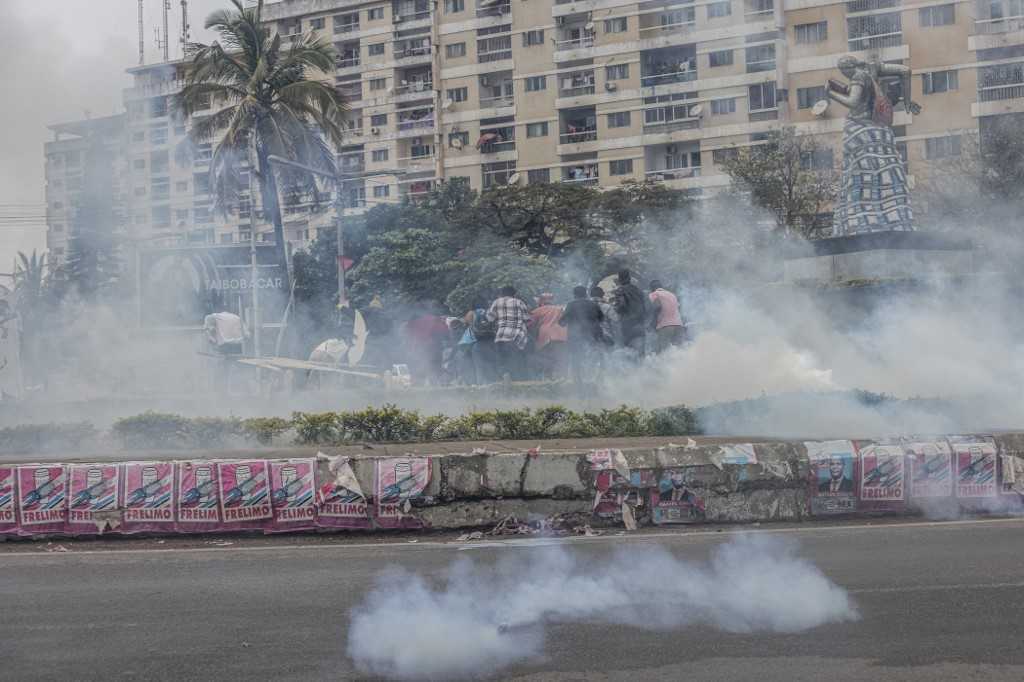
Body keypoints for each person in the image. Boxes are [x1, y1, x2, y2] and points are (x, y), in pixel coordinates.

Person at [558, 286, 604, 387]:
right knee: (592, 359)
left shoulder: (571, 305)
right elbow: (601, 318)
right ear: (585, 293)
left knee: (576, 359)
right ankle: (593, 383)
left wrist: (568, 321)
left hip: (576, 338)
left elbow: (562, 322)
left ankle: (579, 384)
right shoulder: (593, 304)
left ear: (574, 295)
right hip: (592, 336)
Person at [487, 286, 529, 381]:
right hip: (517, 336)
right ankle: (518, 382)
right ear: (514, 294)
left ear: (501, 293)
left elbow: (490, 318)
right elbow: (526, 318)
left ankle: (505, 375)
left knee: (502, 360)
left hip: (501, 336)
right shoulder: (519, 302)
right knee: (516, 361)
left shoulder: (496, 302)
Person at [528, 293, 568, 379]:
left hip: (545, 336)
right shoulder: (560, 309)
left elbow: (529, 324)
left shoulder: (538, 310)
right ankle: (562, 379)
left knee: (546, 358)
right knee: (560, 359)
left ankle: (548, 378)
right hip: (561, 335)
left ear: (541, 301)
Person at [612, 270, 646, 358]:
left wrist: (616, 308)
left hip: (627, 325)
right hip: (640, 324)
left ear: (619, 279)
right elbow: (646, 306)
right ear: (630, 278)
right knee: (641, 354)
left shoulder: (620, 290)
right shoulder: (638, 290)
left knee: (628, 354)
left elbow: (621, 305)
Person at [648, 280, 684, 354]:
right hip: (679, 325)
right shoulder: (672, 294)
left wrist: (653, 322)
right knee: (679, 352)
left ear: (651, 288)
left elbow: (657, 306)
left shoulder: (654, 294)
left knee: (663, 353)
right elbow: (678, 308)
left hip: (665, 326)